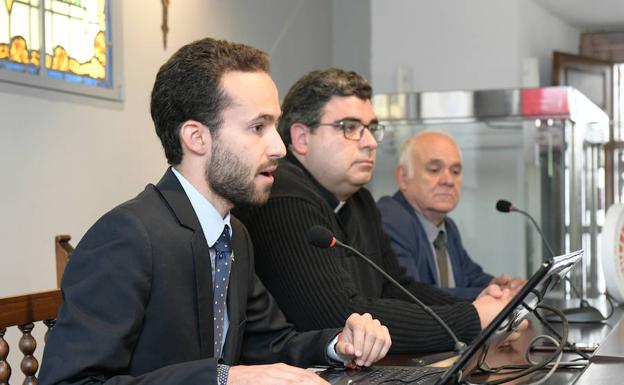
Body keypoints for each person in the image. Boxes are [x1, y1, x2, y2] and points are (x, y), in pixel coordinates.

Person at [38, 39, 391, 385]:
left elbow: (270, 343)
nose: (279, 147)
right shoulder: (127, 236)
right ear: (196, 137)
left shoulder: (233, 233)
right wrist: (223, 379)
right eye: (258, 127)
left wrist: (338, 344)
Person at [233, 68, 515, 354]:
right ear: (302, 138)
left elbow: (395, 287)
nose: (369, 142)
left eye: (371, 128)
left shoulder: (360, 201)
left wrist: (479, 304)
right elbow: (339, 316)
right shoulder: (283, 196)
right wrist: (475, 318)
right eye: (350, 127)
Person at [377, 131, 525, 299]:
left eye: (455, 171)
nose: (448, 180)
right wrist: (490, 295)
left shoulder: (447, 226)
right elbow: (412, 295)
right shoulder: (390, 219)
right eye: (434, 170)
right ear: (403, 177)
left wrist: (501, 286)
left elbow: (469, 276)